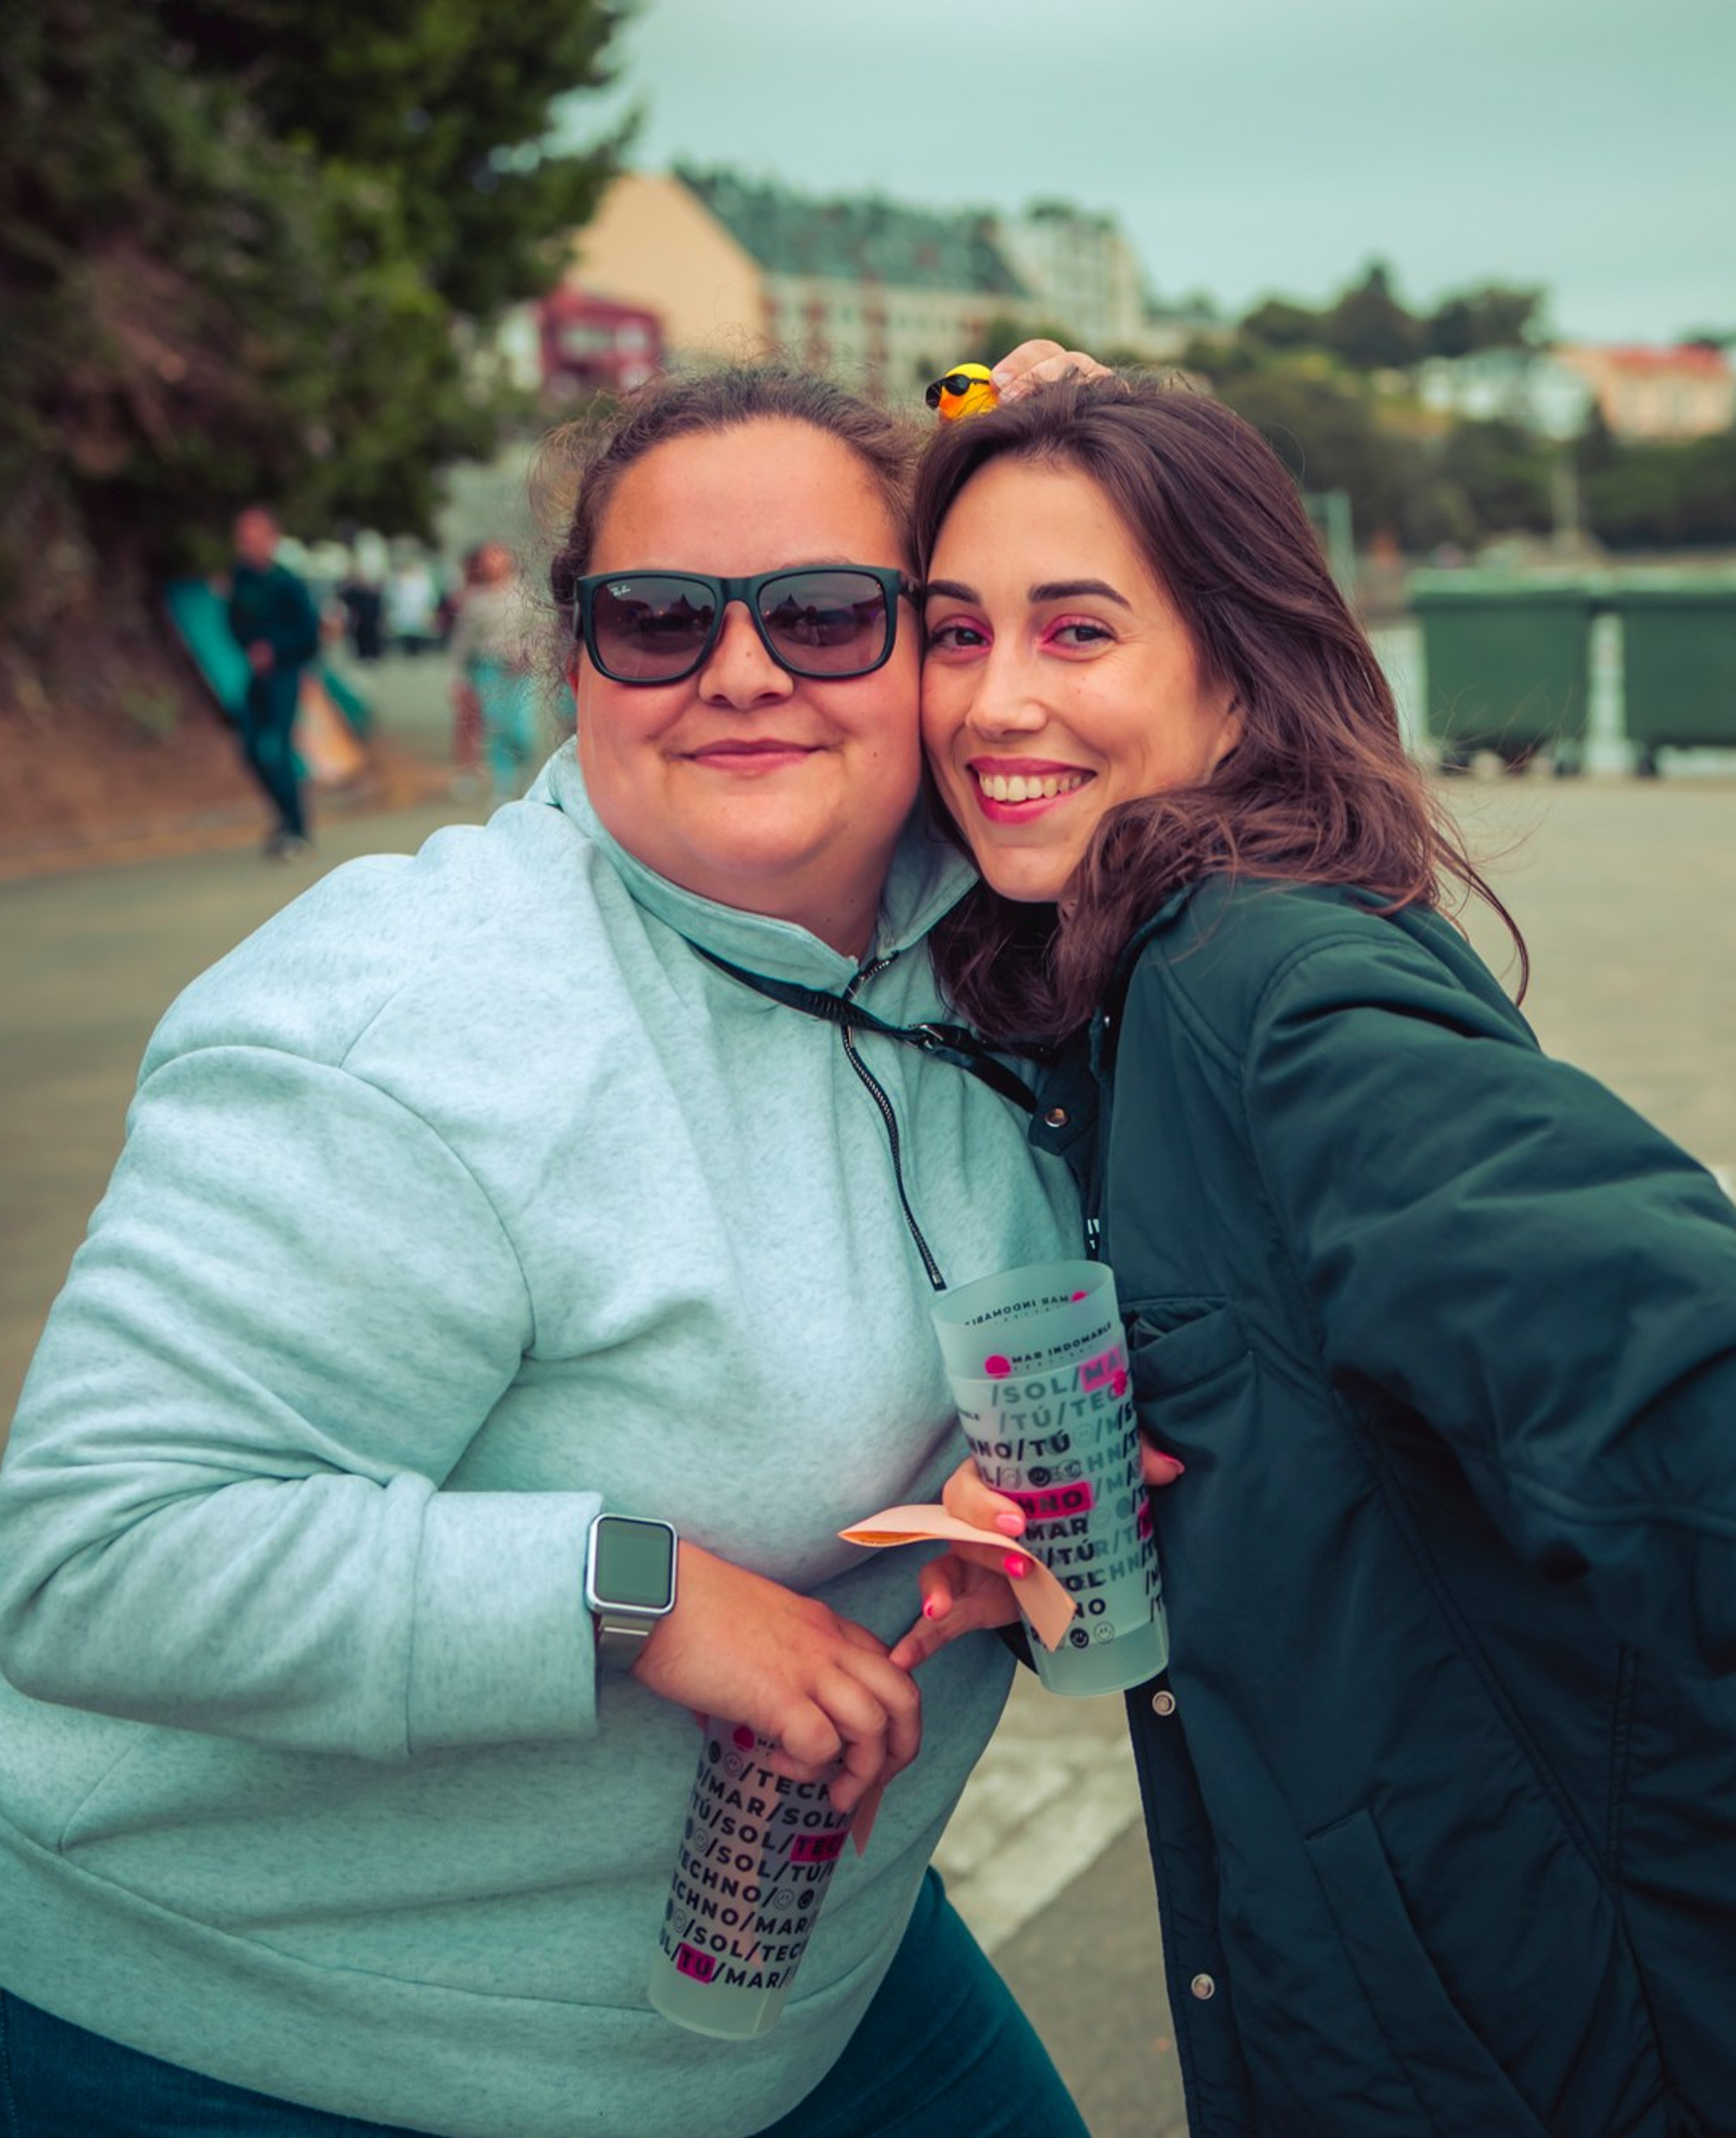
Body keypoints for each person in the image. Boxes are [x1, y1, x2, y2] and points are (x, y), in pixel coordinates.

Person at [893, 374, 1736, 2137]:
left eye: (1074, 626)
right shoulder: (1106, 994)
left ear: (1237, 665)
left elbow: (1670, 1373)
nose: (992, 698)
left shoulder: (1277, 990)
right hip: (1439, 1992)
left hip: (1641, 2024)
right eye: (951, 629)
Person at [0, 356, 1100, 2138]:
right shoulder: (401, 1028)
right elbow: (89, 1556)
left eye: (826, 613)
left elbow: (1234, 726)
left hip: (796, 1969)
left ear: (938, 642)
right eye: (657, 618)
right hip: (258, 2026)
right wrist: (634, 1592)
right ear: (574, 658)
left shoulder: (1016, 936)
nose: (741, 667)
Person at [227, 503, 321, 859]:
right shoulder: (240, 579)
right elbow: (234, 622)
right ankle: (283, 816)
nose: (248, 545)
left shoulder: (288, 583)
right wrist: (251, 647)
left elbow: (309, 636)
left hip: (285, 675)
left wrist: (276, 650)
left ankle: (298, 827)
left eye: (255, 537)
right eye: (243, 538)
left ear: (271, 539)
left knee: (277, 748)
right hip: (257, 678)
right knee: (251, 747)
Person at [448, 540, 541, 803]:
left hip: (520, 672)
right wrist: (457, 679)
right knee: (497, 728)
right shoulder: (475, 601)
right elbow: (462, 644)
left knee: (523, 729)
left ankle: (524, 770)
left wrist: (528, 655)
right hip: (488, 671)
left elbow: (540, 633)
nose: (492, 562)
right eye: (487, 558)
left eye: (497, 556)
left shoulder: (525, 595)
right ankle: (504, 785)